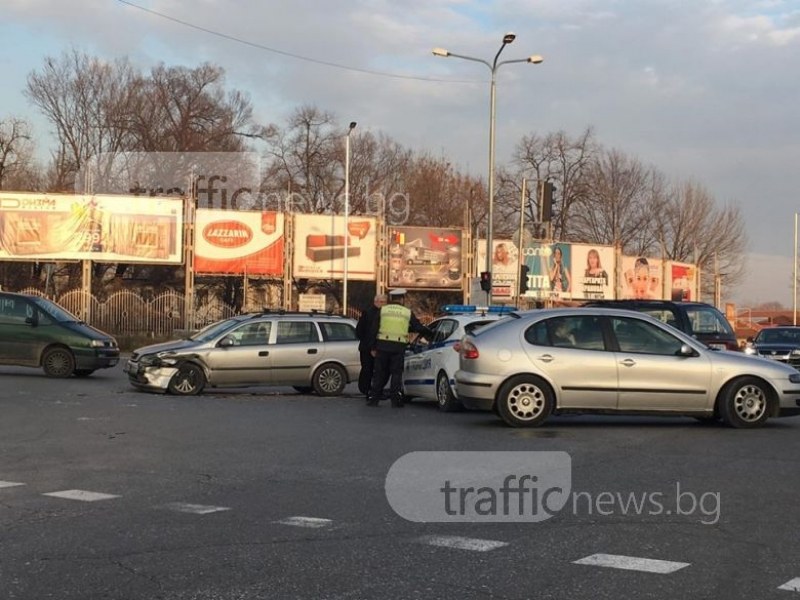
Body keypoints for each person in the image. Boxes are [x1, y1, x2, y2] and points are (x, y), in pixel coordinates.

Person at [367, 288, 434, 408]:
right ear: (402, 299)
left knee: (379, 373)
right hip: (398, 347)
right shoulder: (406, 312)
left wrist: (372, 347)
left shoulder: (383, 310)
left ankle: (374, 399)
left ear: (391, 299)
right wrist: (430, 332)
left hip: (382, 346)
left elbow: (374, 329)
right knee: (396, 374)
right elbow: (417, 327)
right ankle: (395, 400)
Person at [355, 293, 387, 398]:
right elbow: (360, 331)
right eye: (381, 302)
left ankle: (376, 390)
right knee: (367, 369)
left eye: (384, 302)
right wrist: (370, 345)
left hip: (380, 346)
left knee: (380, 370)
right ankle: (366, 390)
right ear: (375, 302)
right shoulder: (368, 313)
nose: (383, 304)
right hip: (367, 347)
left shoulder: (385, 314)